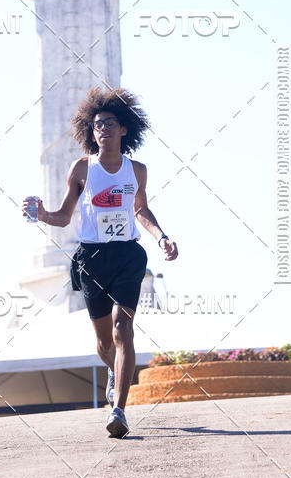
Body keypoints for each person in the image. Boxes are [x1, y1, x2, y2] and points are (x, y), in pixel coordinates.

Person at [22, 87, 178, 438]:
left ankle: (119, 411)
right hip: (90, 258)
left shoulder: (136, 171)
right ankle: (113, 370)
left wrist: (162, 236)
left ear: (124, 129)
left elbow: (141, 210)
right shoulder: (81, 168)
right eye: (96, 125)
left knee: (124, 329)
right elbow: (63, 216)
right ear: (90, 132)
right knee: (104, 344)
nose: (102, 129)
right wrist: (42, 213)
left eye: (109, 123)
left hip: (127, 255)